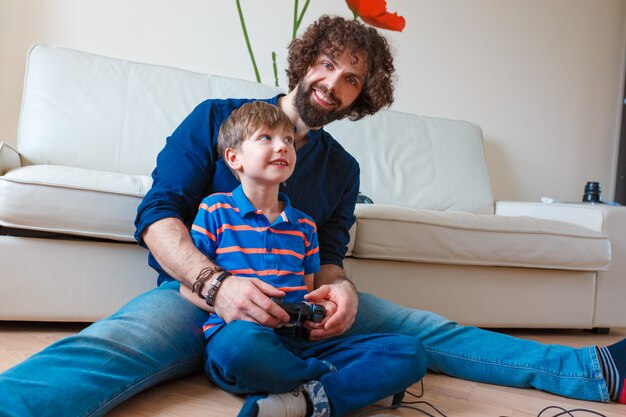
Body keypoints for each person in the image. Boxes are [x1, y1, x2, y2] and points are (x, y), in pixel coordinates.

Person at [0, 14, 625, 417]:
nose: (334, 82)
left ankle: (592, 372)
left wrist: (340, 289)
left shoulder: (343, 169)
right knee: (104, 349)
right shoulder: (218, 118)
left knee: (422, 332)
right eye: (327, 65)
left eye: (352, 79)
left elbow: (328, 254)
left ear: (361, 97)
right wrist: (216, 285)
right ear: (304, 63)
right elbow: (157, 213)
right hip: (193, 300)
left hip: (299, 305)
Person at [180, 100, 425, 417]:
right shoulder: (214, 210)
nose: (282, 146)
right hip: (241, 336)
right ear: (234, 157)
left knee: (409, 351)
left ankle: (300, 401)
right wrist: (231, 303)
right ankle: (338, 383)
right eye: (266, 138)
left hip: (301, 341)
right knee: (239, 347)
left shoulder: (306, 226)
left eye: (288, 140)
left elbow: (308, 292)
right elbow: (187, 288)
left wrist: (321, 311)